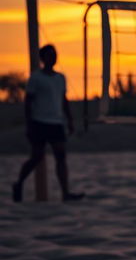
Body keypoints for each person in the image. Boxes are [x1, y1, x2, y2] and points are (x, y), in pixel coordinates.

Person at [12, 44, 84, 202]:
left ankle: (65, 193)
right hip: (39, 122)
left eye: (55, 54)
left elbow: (64, 100)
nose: (53, 57)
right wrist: (29, 124)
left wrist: (70, 120)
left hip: (56, 122)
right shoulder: (36, 78)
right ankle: (18, 184)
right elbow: (28, 102)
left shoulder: (60, 78)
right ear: (43, 58)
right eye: (50, 54)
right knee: (37, 157)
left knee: (61, 156)